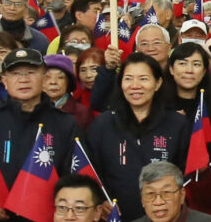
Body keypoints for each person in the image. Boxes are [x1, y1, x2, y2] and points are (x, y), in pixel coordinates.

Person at [0, 49, 78, 222]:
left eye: (30, 72)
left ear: (44, 78)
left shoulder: (65, 124)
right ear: (4, 80)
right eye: (15, 74)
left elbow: (74, 176)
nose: (23, 79)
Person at [81, 52, 191, 208]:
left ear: (158, 83)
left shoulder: (177, 124)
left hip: (164, 214)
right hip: (115, 220)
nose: (135, 85)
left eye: (143, 79)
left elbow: (187, 174)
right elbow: (90, 172)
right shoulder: (102, 124)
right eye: (128, 79)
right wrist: (100, 200)